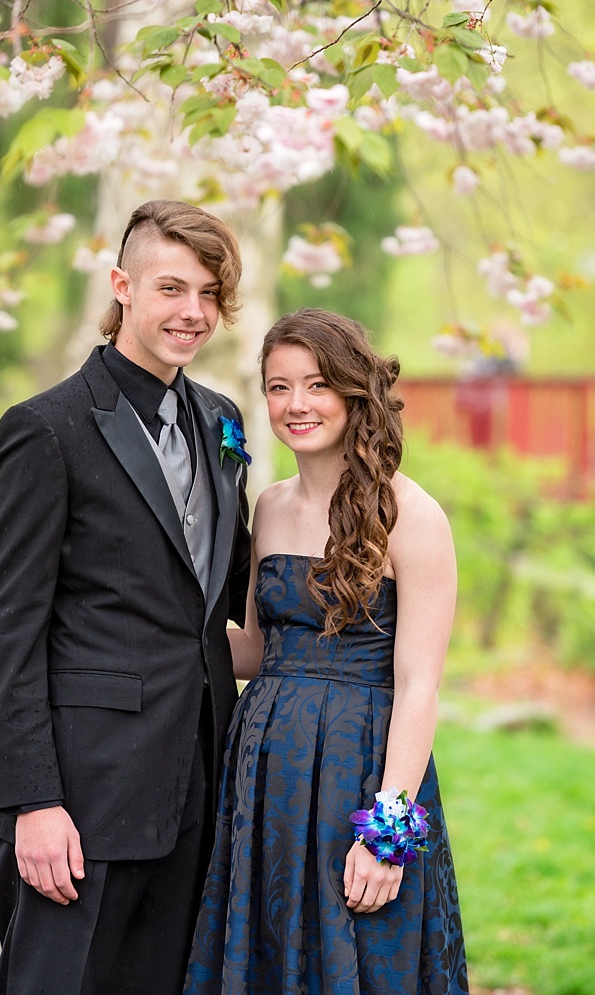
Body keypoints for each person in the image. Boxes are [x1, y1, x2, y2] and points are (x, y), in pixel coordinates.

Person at [0, 199, 253, 995]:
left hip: (200, 782)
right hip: (81, 800)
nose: (192, 312)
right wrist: (32, 801)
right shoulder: (46, 429)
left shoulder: (222, 421)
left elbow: (227, 594)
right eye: (171, 288)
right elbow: (7, 633)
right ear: (122, 285)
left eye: (208, 292)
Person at [185, 309, 468, 994]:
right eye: (278, 387)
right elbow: (254, 646)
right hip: (267, 778)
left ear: (352, 391)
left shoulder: (412, 514)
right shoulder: (270, 507)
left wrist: (388, 833)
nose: (296, 404)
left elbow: (420, 685)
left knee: (362, 960)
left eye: (315, 385)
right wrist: (150, 636)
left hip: (361, 774)